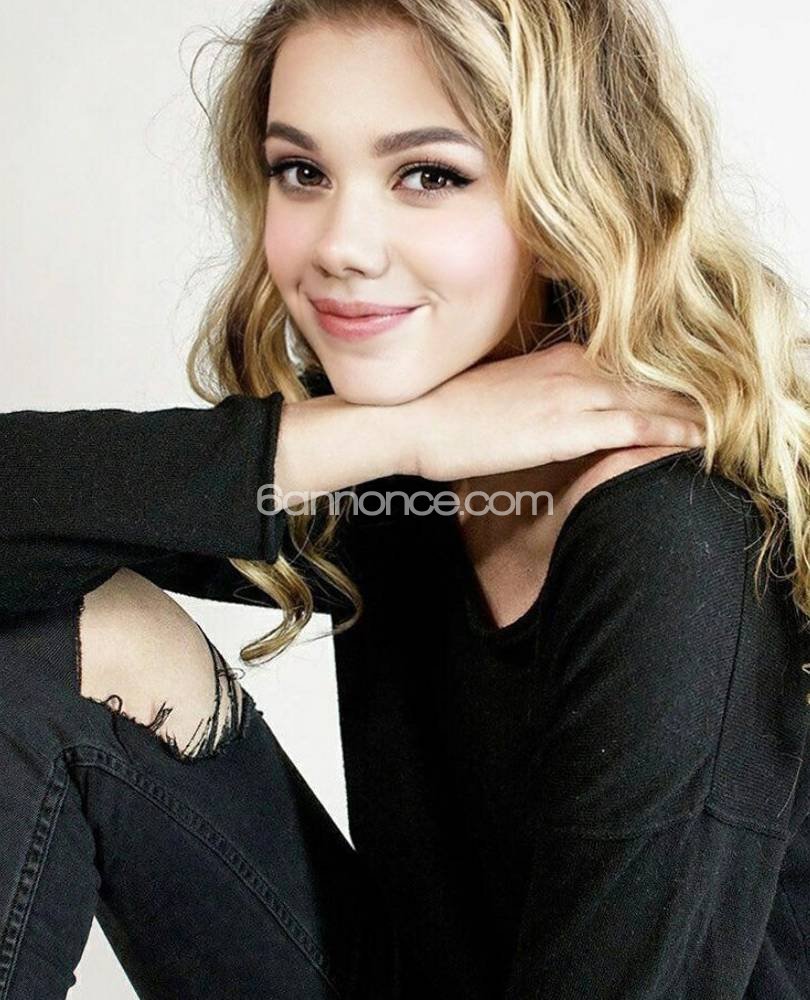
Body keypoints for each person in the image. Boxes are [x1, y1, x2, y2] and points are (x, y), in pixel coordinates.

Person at [1, 2, 809, 999]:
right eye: (302, 171)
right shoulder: (409, 470)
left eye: (429, 175)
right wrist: (389, 437)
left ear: (573, 194)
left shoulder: (674, 539)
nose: (341, 245)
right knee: (47, 635)